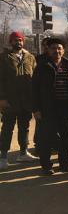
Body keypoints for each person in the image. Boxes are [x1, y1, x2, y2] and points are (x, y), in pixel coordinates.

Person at [32, 38, 68, 175]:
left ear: (63, 50)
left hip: (65, 108)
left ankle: (64, 163)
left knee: (67, 137)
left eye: (59, 48)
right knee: (46, 138)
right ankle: (46, 166)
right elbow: (34, 89)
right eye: (53, 48)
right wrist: (36, 109)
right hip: (47, 108)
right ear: (48, 50)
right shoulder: (42, 66)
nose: (57, 51)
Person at [0, 31, 38, 170]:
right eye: (16, 40)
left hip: (26, 101)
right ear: (11, 42)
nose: (19, 42)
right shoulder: (3, 57)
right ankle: (3, 156)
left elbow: (35, 78)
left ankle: (23, 153)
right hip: (9, 100)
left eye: (20, 40)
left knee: (24, 127)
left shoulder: (30, 57)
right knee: (7, 128)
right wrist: (2, 98)